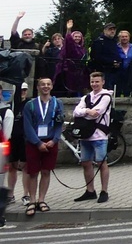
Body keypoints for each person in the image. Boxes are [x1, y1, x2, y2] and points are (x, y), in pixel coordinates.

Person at [23, 78, 65, 216]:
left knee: (46, 171)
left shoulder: (57, 103)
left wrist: (54, 140)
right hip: (34, 142)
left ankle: (42, 200)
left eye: (48, 84)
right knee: (33, 172)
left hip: (51, 141)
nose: (45, 87)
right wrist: (38, 143)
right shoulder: (30, 105)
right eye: (43, 84)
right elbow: (27, 126)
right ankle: (32, 201)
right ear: (38, 87)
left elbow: (59, 123)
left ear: (52, 86)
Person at [72, 72, 113, 203]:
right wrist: (87, 111)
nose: (94, 84)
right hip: (86, 135)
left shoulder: (106, 97)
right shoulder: (86, 97)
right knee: (85, 163)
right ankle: (90, 191)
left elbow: (97, 113)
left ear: (103, 82)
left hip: (100, 135)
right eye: (92, 82)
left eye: (97, 81)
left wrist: (85, 112)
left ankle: (104, 191)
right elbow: (75, 112)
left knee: (101, 163)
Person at [7, 82, 29, 206]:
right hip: (12, 138)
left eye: (25, 90)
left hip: (25, 139)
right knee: (12, 166)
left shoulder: (30, 104)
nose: (23, 93)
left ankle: (26, 194)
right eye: (21, 90)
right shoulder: (10, 105)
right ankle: (10, 194)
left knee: (25, 167)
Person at [89, 23, 122, 90]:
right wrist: (111, 62)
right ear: (105, 30)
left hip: (114, 71)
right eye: (110, 29)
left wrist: (118, 62)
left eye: (114, 29)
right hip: (103, 71)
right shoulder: (99, 42)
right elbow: (96, 57)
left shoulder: (114, 41)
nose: (112, 31)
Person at [117, 30, 132, 96]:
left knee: (128, 90)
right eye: (122, 37)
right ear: (119, 38)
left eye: (126, 36)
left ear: (129, 37)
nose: (124, 38)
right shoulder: (116, 47)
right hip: (119, 71)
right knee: (118, 89)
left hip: (130, 72)